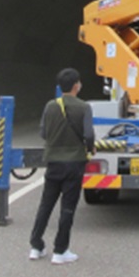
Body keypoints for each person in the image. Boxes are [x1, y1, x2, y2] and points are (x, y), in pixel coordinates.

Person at [29, 67, 95, 265]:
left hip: (54, 162)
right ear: (77, 85)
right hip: (74, 163)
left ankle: (36, 246)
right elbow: (88, 135)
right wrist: (90, 148)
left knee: (46, 205)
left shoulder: (50, 106)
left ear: (60, 86)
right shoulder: (84, 107)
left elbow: (43, 132)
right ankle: (60, 250)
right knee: (67, 207)